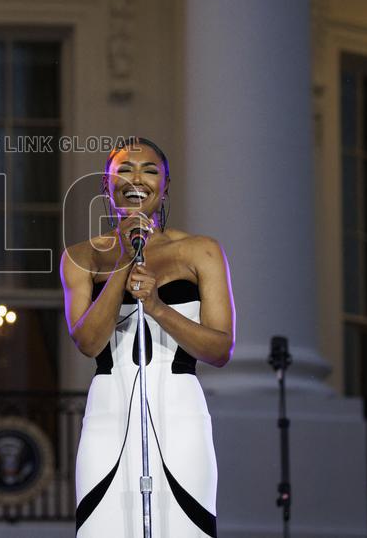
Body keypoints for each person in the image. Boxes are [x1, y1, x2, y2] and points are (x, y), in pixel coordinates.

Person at [60, 137, 236, 537]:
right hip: (109, 414)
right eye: (124, 170)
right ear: (106, 185)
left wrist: (157, 307)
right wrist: (125, 258)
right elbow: (89, 342)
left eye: (150, 170)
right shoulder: (81, 257)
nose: (136, 179)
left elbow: (220, 349)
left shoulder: (201, 251)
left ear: (165, 185)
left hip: (181, 414)